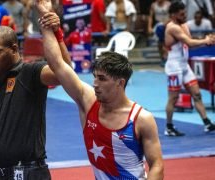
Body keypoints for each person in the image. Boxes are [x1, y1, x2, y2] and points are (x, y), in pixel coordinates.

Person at [36, 0, 164, 179]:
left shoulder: (141, 119)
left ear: (120, 82)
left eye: (102, 79)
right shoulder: (87, 102)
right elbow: (58, 65)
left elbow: (157, 164)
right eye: (95, 77)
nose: (95, 83)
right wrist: (46, 20)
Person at [0, 18, 71, 179]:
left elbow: (65, 73)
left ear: (14, 49)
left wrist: (56, 33)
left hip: (30, 172)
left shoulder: (30, 73)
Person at [164, 0, 215, 136]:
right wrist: (206, 40)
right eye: (182, 14)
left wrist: (206, 41)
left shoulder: (184, 25)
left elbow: (191, 42)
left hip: (184, 66)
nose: (185, 16)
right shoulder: (172, 27)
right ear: (174, 15)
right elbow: (189, 42)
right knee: (173, 99)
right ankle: (169, 127)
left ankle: (207, 123)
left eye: (185, 13)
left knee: (197, 94)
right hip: (174, 67)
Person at [148, 0, 171, 67]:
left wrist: (165, 23)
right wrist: (149, 27)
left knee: (165, 43)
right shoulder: (153, 5)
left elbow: (172, 16)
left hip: (167, 25)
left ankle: (167, 58)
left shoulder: (168, 4)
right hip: (158, 26)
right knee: (159, 44)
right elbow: (150, 17)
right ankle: (162, 59)